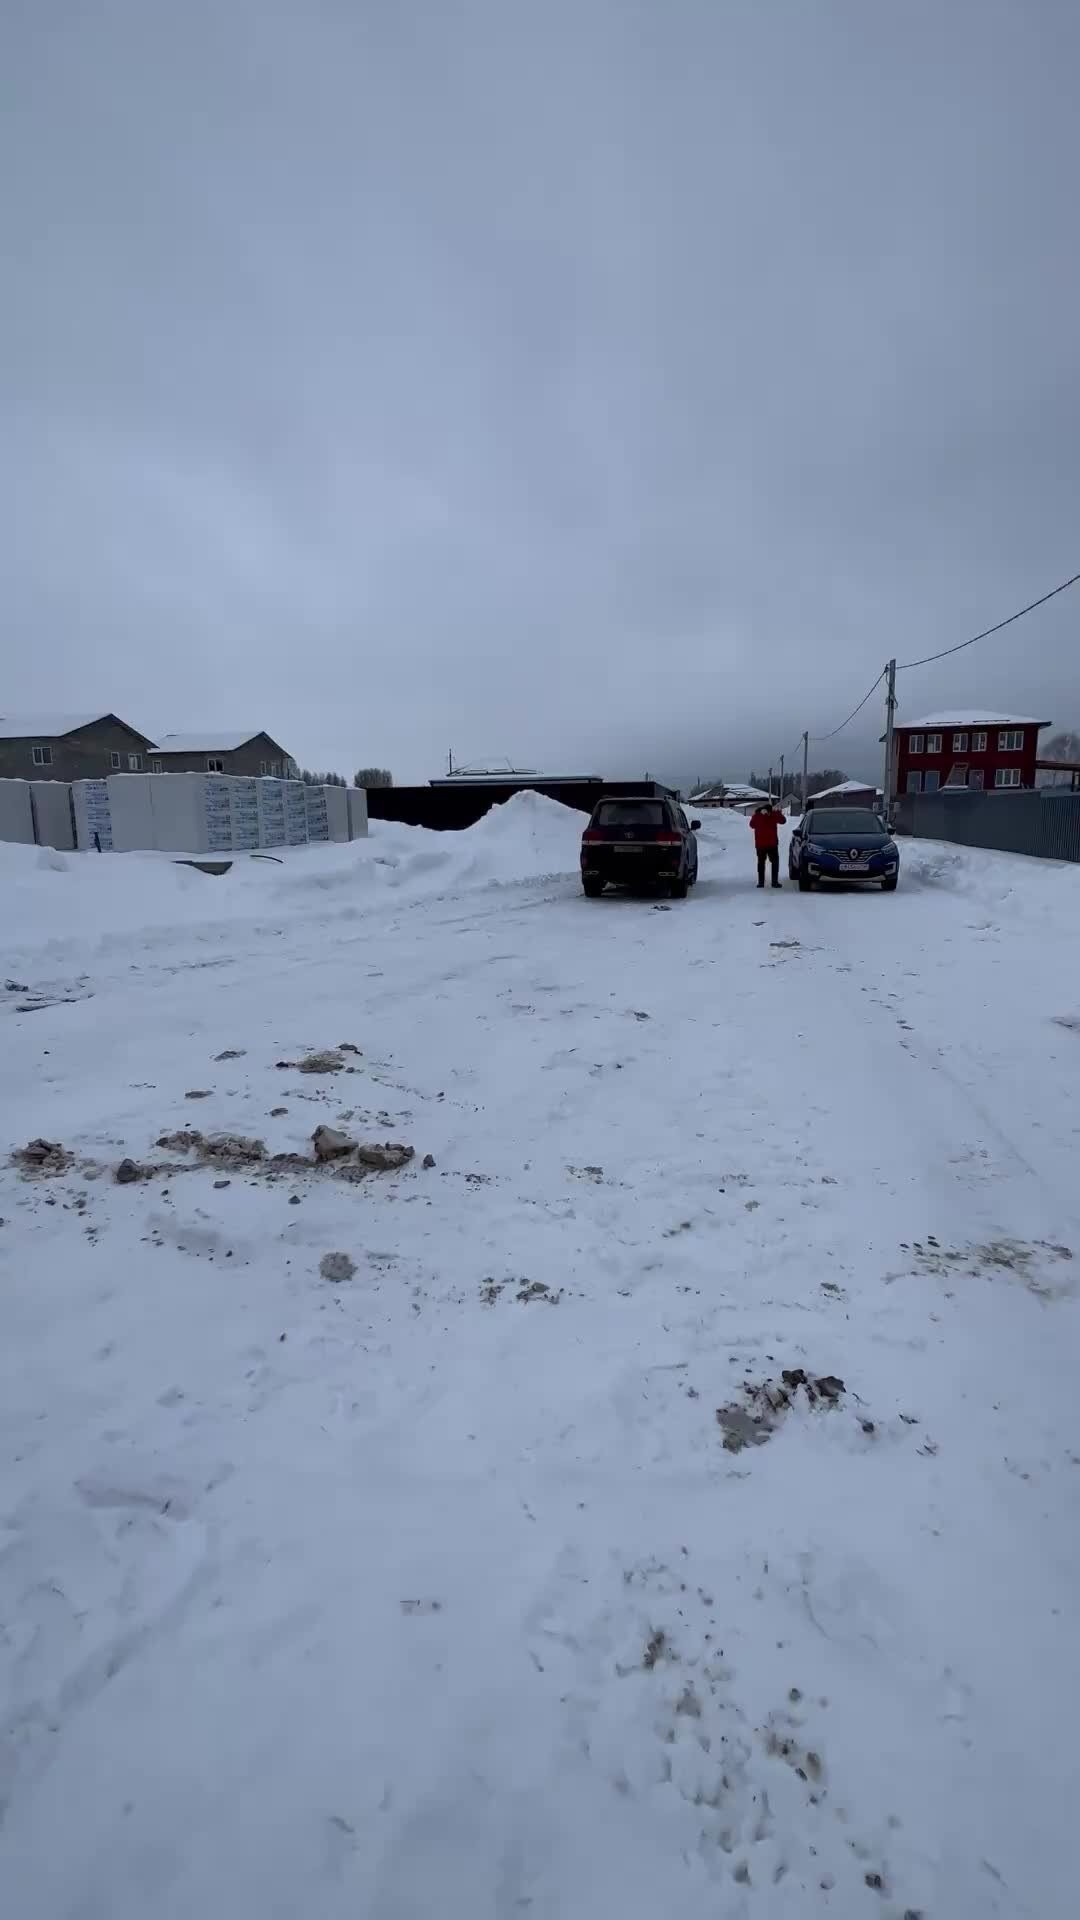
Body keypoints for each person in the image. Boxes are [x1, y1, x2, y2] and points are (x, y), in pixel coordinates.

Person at [749, 800, 785, 887]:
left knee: (761, 863)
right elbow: (783, 821)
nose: (768, 813)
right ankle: (774, 882)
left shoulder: (758, 815)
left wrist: (757, 814)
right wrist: (778, 812)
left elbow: (752, 825)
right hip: (771, 844)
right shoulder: (772, 815)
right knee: (774, 862)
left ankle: (761, 882)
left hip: (762, 844)